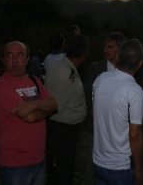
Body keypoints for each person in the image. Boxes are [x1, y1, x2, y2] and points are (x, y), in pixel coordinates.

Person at [0, 41, 58, 185]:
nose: (15, 60)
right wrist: (44, 108)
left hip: (39, 159)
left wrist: (35, 103)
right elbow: (30, 117)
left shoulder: (34, 80)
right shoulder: (1, 87)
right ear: (4, 60)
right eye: (10, 55)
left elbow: (54, 104)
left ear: (27, 59)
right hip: (15, 165)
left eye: (20, 55)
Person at [92, 38, 143, 185]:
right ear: (140, 63)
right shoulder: (135, 91)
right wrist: (139, 169)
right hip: (120, 167)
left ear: (118, 57)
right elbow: (134, 135)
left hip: (98, 161)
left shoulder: (100, 79)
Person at [44, 34, 90, 185]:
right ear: (83, 53)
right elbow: (54, 105)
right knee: (61, 171)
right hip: (62, 130)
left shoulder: (67, 66)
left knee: (65, 168)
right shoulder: (65, 73)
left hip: (66, 130)